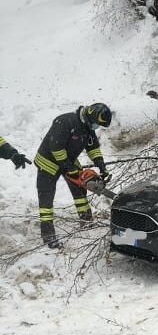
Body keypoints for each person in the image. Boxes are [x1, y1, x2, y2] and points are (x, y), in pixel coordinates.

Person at [34, 103, 112, 248]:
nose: (96, 127)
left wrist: (100, 164)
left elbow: (93, 147)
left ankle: (87, 221)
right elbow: (56, 148)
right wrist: (69, 168)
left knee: (80, 189)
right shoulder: (65, 122)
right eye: (96, 124)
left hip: (68, 160)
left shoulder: (87, 128)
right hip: (48, 162)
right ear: (90, 117)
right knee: (46, 199)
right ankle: (48, 235)